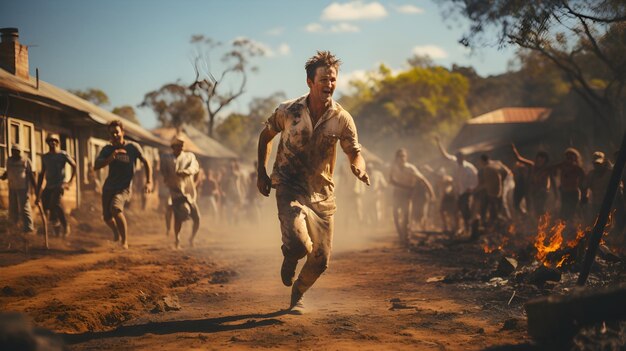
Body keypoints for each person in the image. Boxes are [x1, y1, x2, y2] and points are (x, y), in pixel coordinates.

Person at [256, 51, 369, 314]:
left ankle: (299, 293)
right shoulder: (288, 111)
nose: (329, 84)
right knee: (297, 244)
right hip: (289, 185)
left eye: (332, 79)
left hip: (322, 195)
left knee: (320, 261)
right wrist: (261, 172)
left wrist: (358, 168)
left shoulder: (342, 118)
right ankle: (291, 253)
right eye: (323, 79)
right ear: (310, 82)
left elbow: (355, 153)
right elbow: (265, 136)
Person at [94, 120, 152, 249]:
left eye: (117, 132)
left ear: (122, 133)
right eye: (111, 133)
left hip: (124, 188)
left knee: (115, 208)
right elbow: (96, 166)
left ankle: (124, 241)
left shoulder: (132, 147)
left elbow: (146, 162)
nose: (114, 135)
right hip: (108, 187)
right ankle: (116, 233)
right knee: (107, 217)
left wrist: (148, 182)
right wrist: (111, 157)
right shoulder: (107, 149)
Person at [160, 137, 201, 249]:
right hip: (175, 191)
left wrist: (186, 172)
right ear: (173, 147)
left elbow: (195, 167)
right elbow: (163, 172)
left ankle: (191, 238)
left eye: (182, 145)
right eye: (178, 145)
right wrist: (168, 180)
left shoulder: (189, 156)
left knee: (197, 217)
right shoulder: (166, 157)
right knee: (178, 217)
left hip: (188, 191)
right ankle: (177, 239)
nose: (180, 147)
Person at [388, 148, 435, 243]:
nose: (402, 158)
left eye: (403, 156)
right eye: (400, 156)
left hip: (407, 194)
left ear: (406, 157)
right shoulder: (393, 167)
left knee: (406, 215)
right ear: (396, 158)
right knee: (395, 214)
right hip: (398, 193)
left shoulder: (410, 168)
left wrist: (431, 193)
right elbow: (390, 180)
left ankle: (406, 235)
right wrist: (401, 185)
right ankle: (401, 235)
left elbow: (423, 179)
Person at [36, 134, 76, 237]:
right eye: (51, 141)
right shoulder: (45, 157)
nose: (53, 143)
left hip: (59, 184)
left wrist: (69, 182)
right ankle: (56, 228)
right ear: (48, 143)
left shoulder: (62, 155)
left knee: (55, 203)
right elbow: (42, 173)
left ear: (58, 143)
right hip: (49, 185)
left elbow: (74, 166)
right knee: (46, 206)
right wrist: (38, 193)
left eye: (55, 141)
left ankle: (66, 225)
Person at [435, 137, 478, 235]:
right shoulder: (455, 163)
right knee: (455, 211)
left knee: (465, 212)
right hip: (457, 192)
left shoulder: (470, 168)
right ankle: (458, 229)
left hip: (466, 193)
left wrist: (470, 189)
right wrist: (439, 143)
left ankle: (467, 229)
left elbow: (475, 181)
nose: (458, 159)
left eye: (459, 158)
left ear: (463, 158)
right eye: (457, 158)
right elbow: (445, 155)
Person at [1, 144, 36, 233]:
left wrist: (35, 188)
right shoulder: (9, 160)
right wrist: (3, 176)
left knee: (24, 208)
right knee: (13, 207)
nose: (15, 153)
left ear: (20, 152)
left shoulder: (25, 160)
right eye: (13, 151)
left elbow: (31, 175)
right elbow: (7, 172)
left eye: (17, 151)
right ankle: (14, 226)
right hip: (12, 187)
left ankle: (29, 228)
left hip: (23, 188)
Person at [510, 144, 552, 219]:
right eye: (539, 160)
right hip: (531, 192)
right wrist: (513, 149)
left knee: (539, 211)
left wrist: (544, 190)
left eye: (542, 160)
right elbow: (518, 158)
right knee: (531, 210)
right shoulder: (532, 166)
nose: (540, 162)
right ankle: (531, 222)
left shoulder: (545, 170)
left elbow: (547, 183)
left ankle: (540, 225)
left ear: (545, 161)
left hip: (541, 193)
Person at [475, 154, 511, 227]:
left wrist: (476, 189)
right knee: (499, 206)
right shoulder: (496, 163)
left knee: (500, 206)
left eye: (480, 162)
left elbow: (487, 183)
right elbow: (506, 172)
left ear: (482, 161)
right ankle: (506, 222)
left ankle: (507, 222)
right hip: (499, 187)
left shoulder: (488, 168)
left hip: (500, 188)